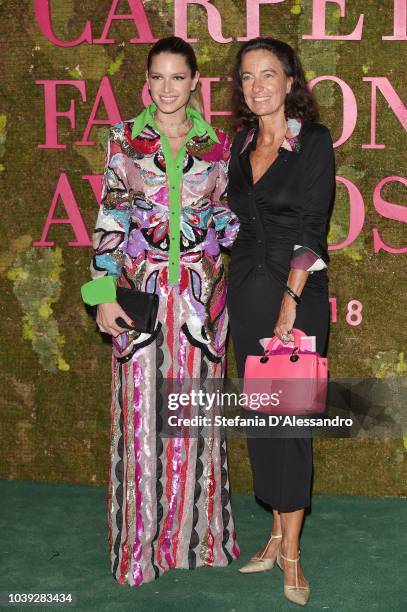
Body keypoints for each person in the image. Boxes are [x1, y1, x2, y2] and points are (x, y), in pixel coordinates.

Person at [84, 36, 240, 586]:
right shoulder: (124, 141)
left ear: (196, 81)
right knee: (140, 420)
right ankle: (140, 550)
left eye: (179, 77)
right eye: (158, 78)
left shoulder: (219, 145)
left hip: (200, 301)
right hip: (140, 297)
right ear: (146, 82)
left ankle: (199, 541)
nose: (168, 88)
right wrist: (103, 296)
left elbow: (227, 219)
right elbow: (110, 218)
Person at [227, 37, 335, 606]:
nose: (258, 85)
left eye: (269, 74)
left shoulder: (313, 142)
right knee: (263, 424)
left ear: (291, 81)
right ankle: (273, 535)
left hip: (296, 295)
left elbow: (312, 226)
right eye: (247, 76)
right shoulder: (239, 143)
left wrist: (291, 301)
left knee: (291, 429)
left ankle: (292, 556)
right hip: (246, 293)